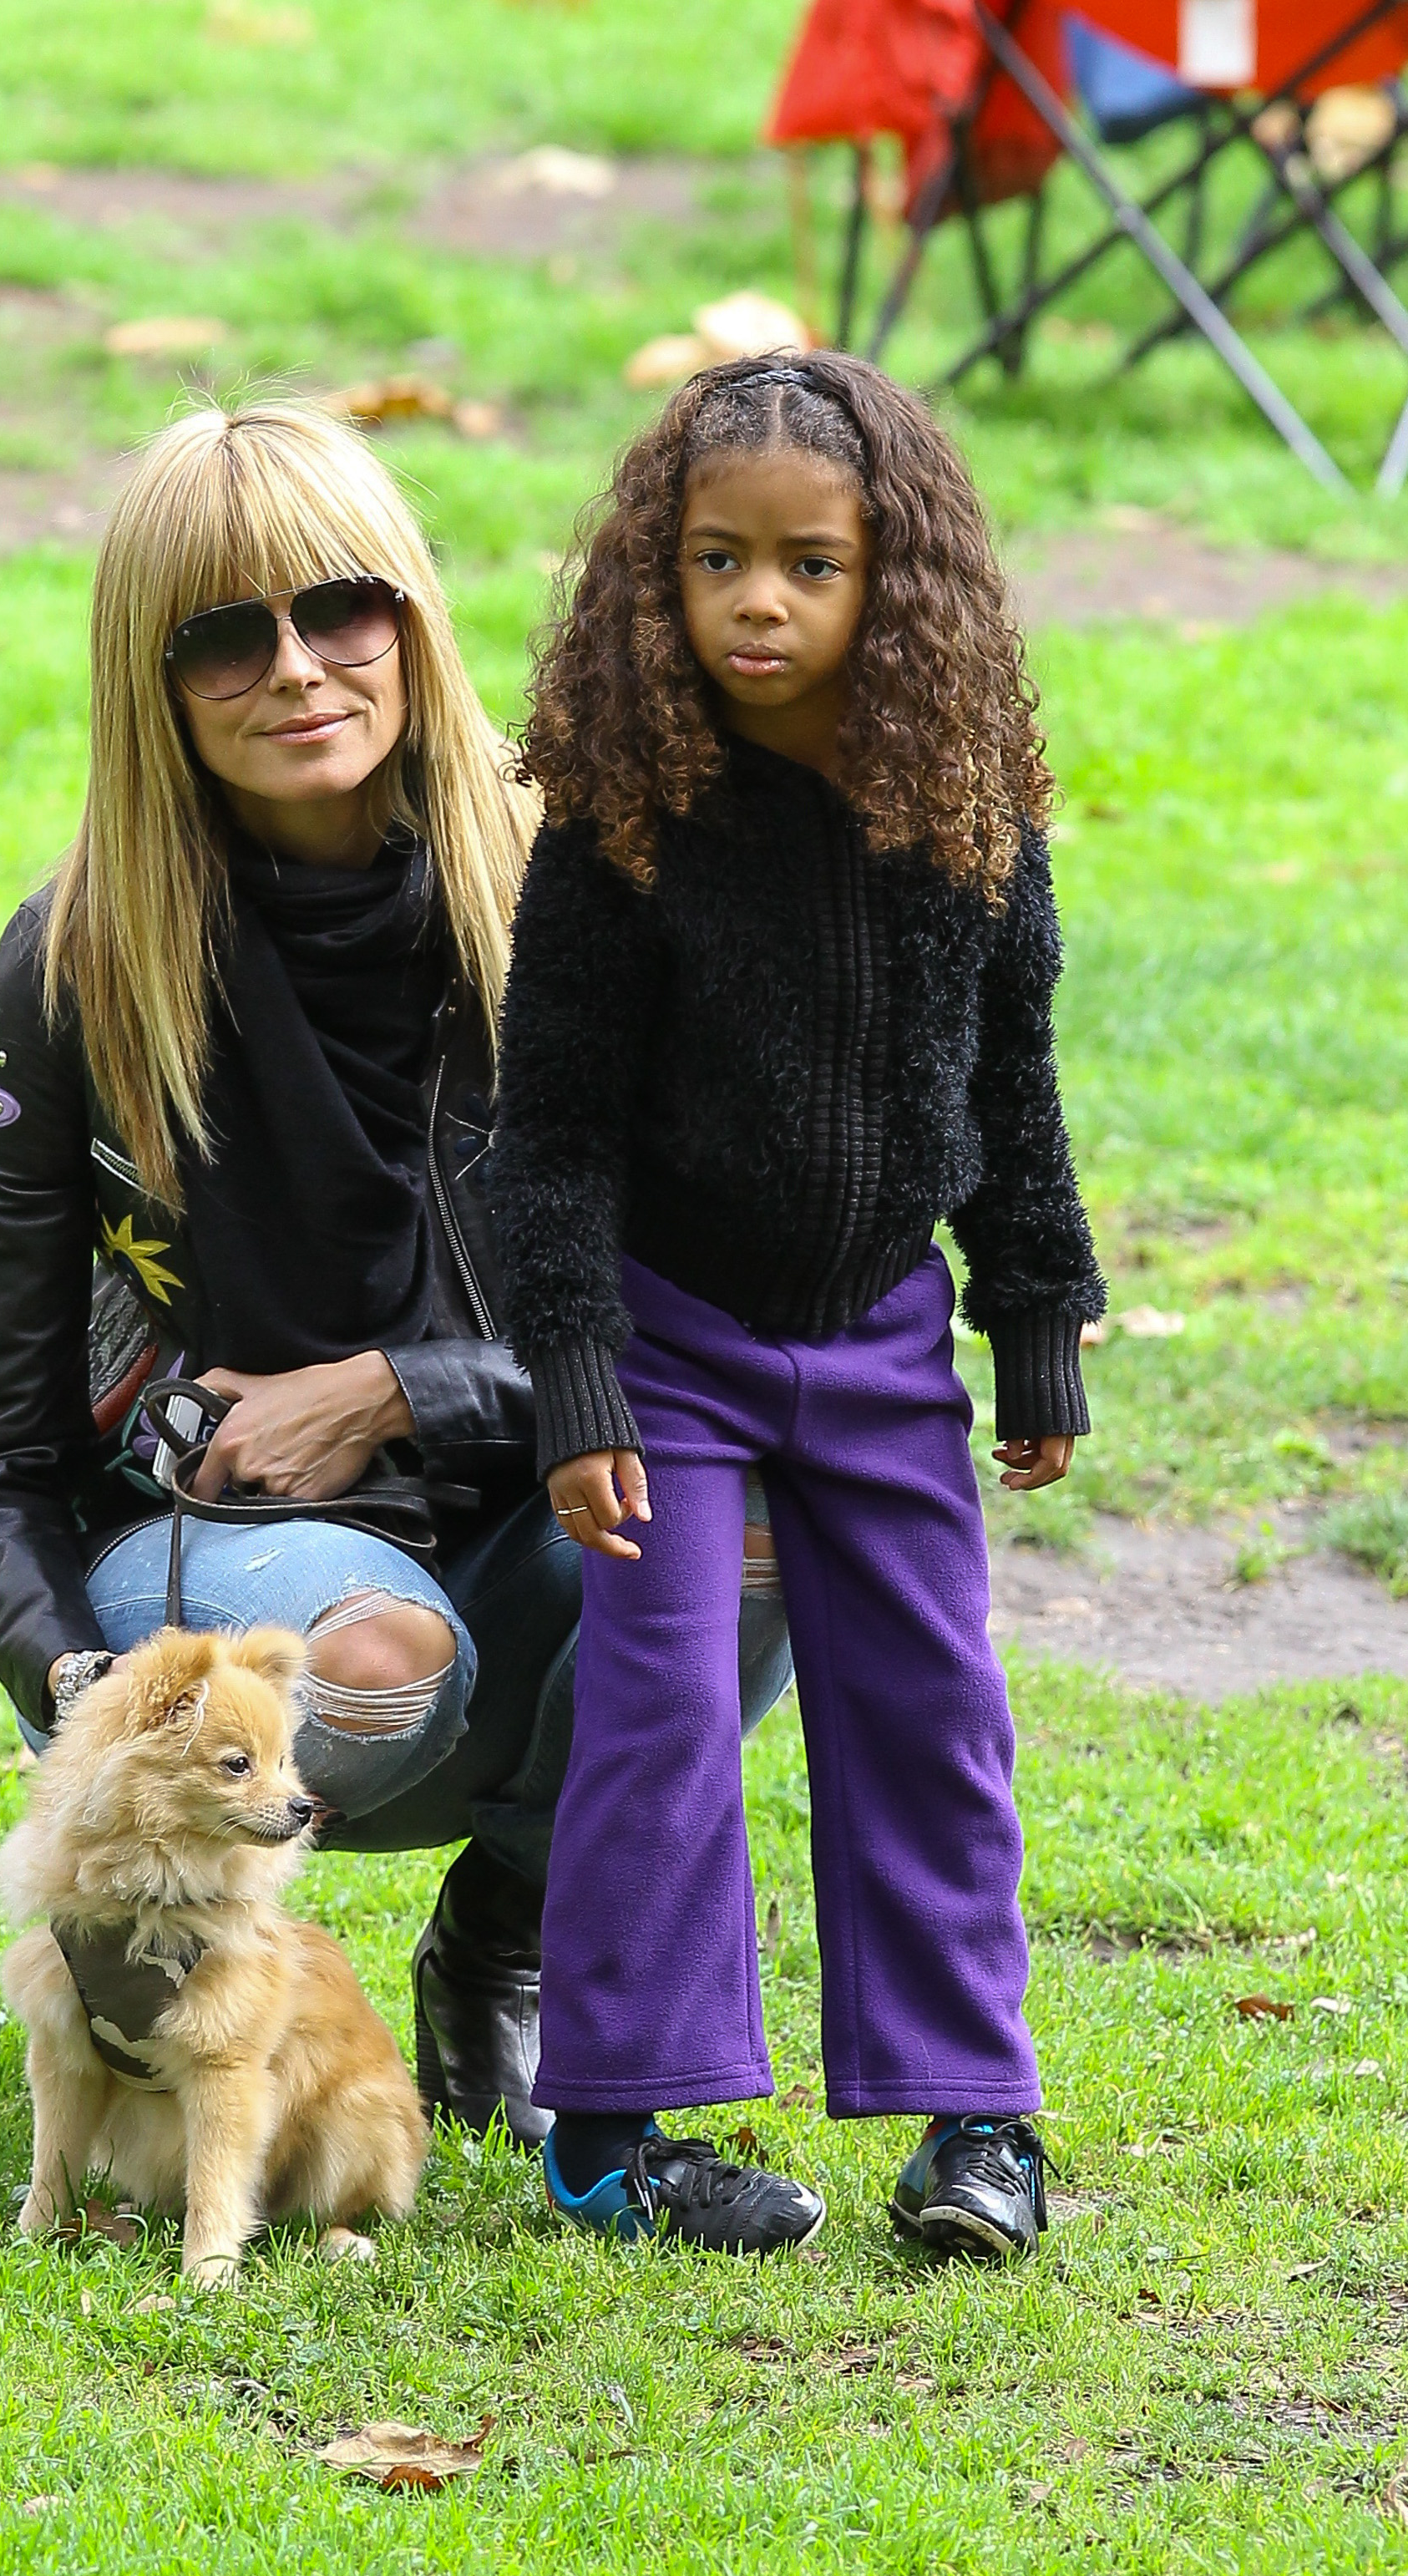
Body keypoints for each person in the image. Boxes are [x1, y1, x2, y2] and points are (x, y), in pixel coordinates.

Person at [0, 402, 794, 2150]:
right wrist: (79, 1691)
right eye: (223, 636)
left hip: (539, 1498)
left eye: (342, 610)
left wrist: (409, 1385)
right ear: (151, 681)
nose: (297, 668)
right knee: (382, 1648)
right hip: (235, 1572)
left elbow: (748, 1317)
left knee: (758, 1507)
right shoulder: (78, 958)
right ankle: (205, 1984)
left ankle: (512, 1936)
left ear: (408, 612)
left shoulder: (596, 883)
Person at [489, 351, 1106, 2258]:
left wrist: (1033, 1322)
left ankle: (974, 2122)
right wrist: (577, 1370)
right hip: (666, 1343)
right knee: (659, 1704)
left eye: (809, 565)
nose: (756, 601)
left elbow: (1014, 1090)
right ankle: (607, 2127)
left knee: (928, 1706)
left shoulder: (964, 818)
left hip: (879, 1338)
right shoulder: (621, 823)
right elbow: (551, 1126)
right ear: (652, 580)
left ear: (890, 582)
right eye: (712, 560)